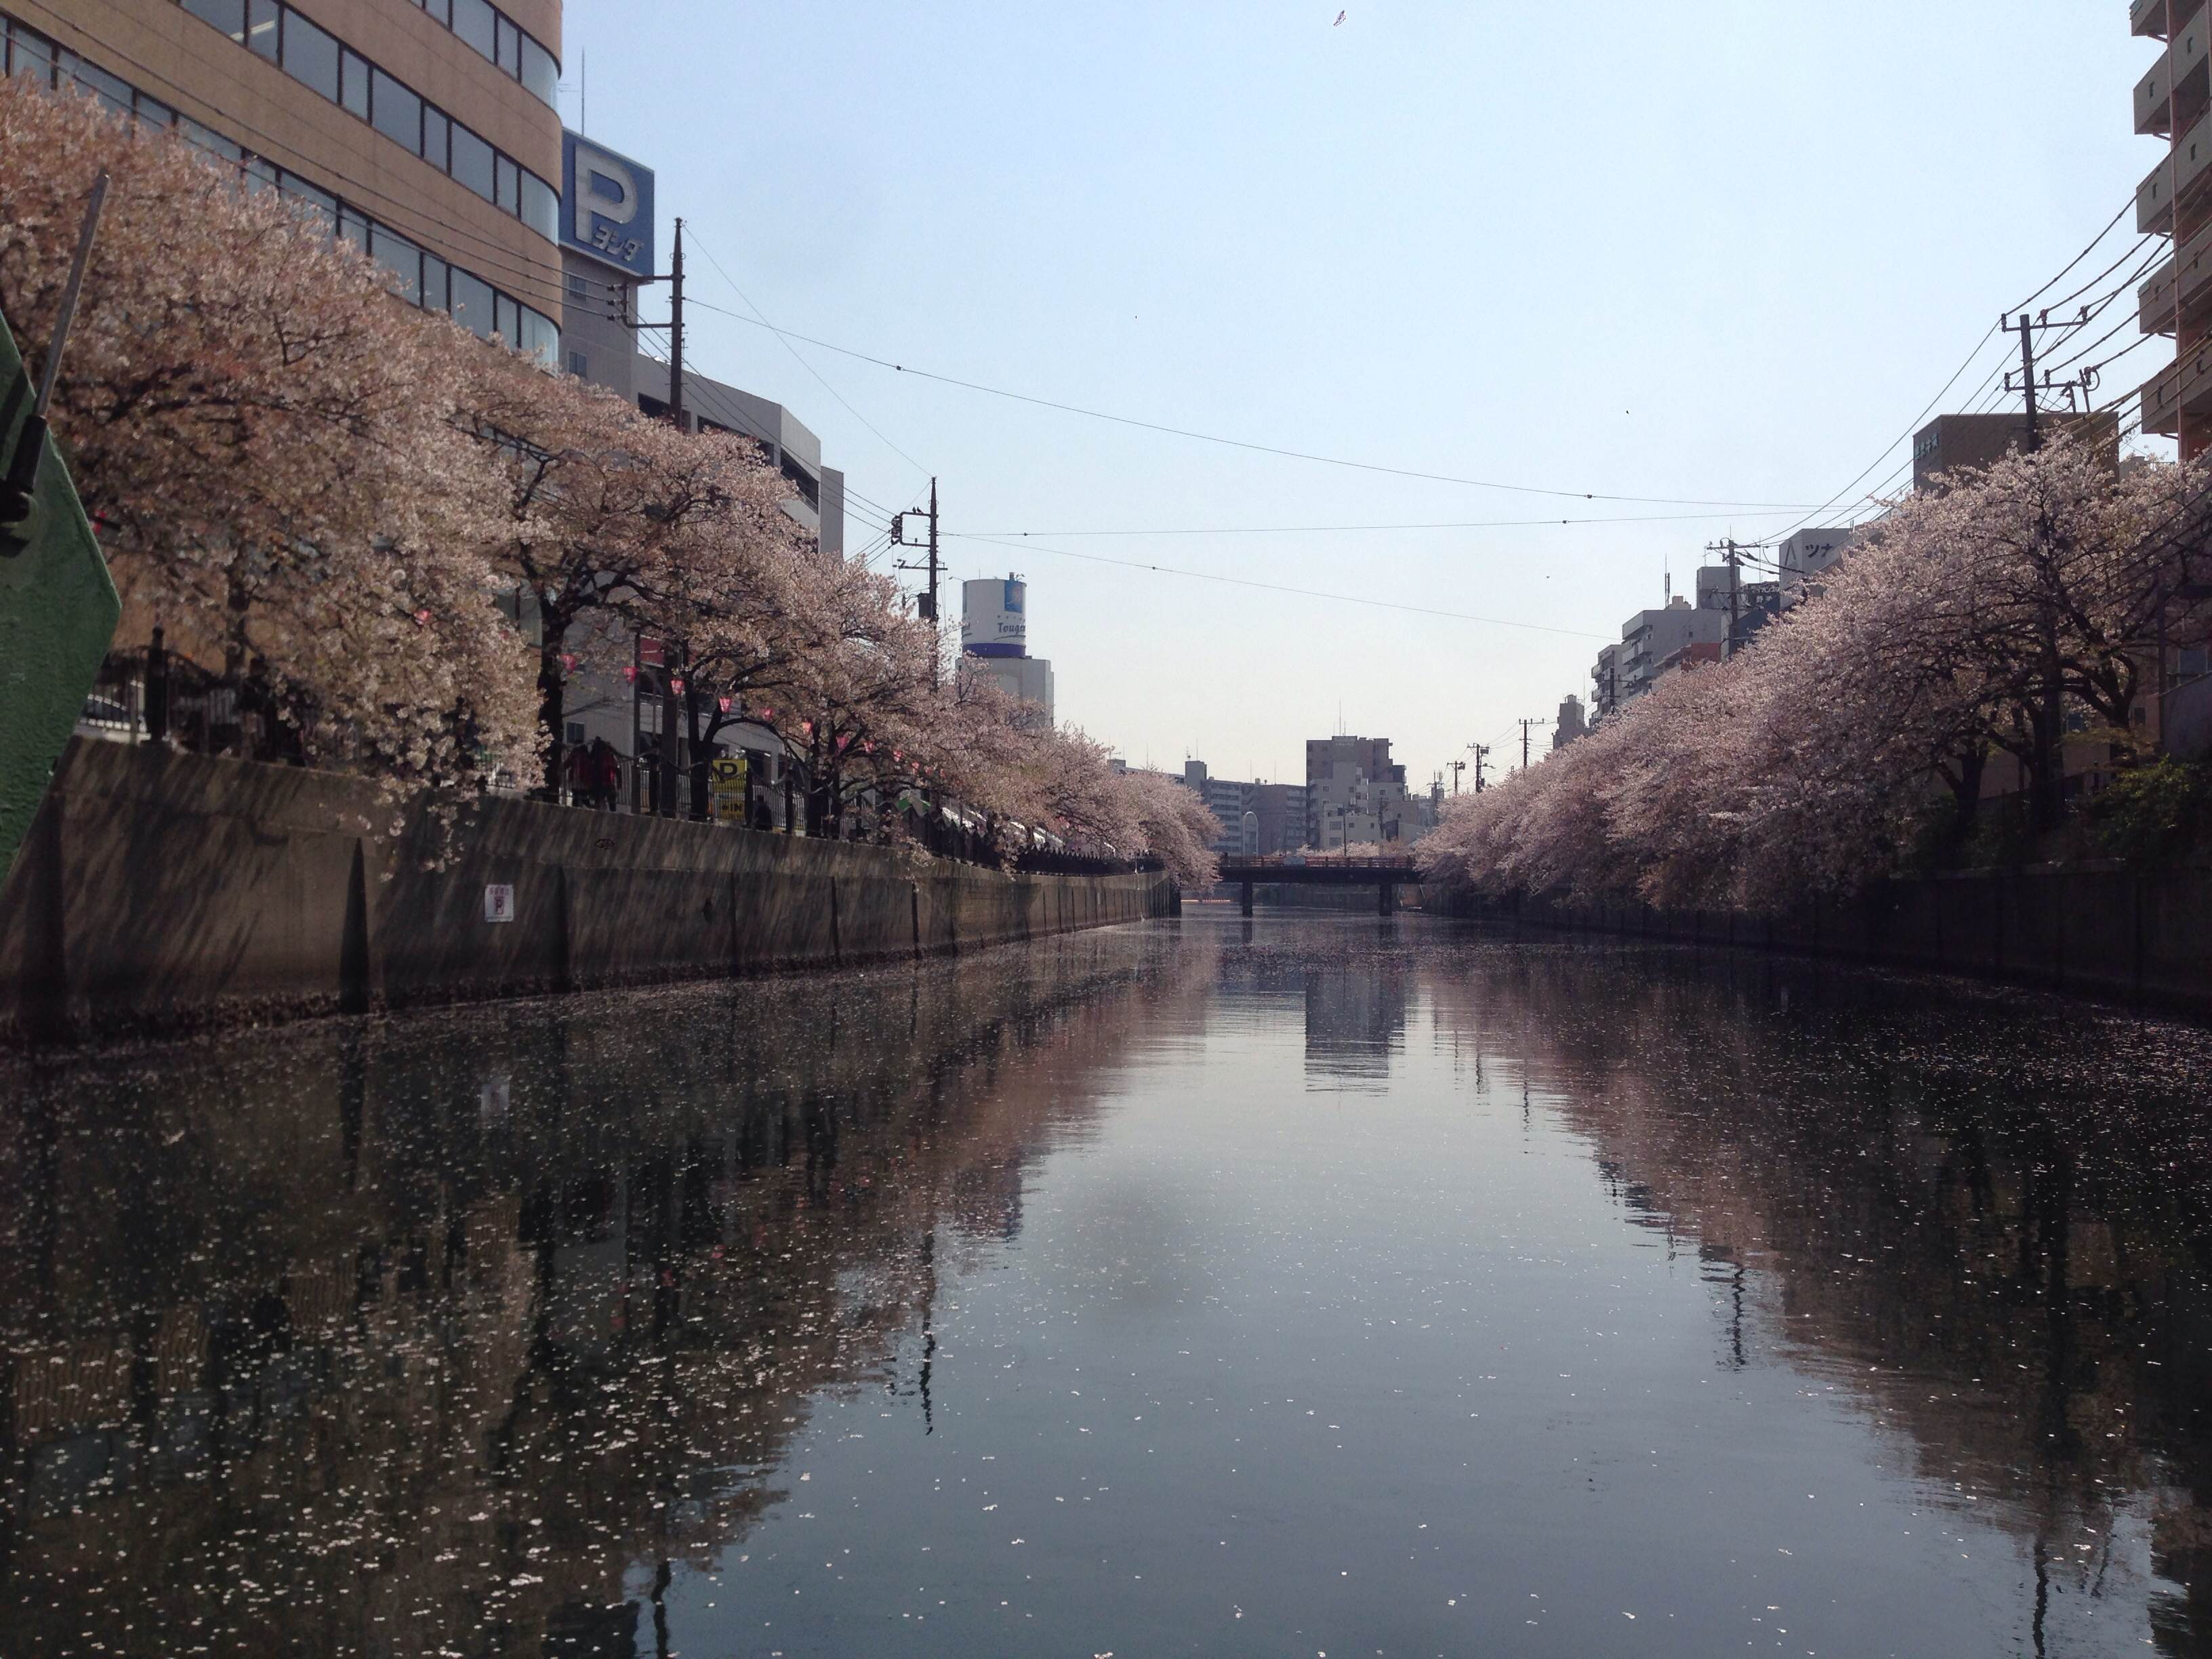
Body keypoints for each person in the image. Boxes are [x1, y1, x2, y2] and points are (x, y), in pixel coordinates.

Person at [592, 738, 621, 811]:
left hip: (603, 783)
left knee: (601, 801)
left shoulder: (601, 758)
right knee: (611, 804)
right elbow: (617, 771)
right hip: (609, 784)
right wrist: (619, 784)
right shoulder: (611, 758)